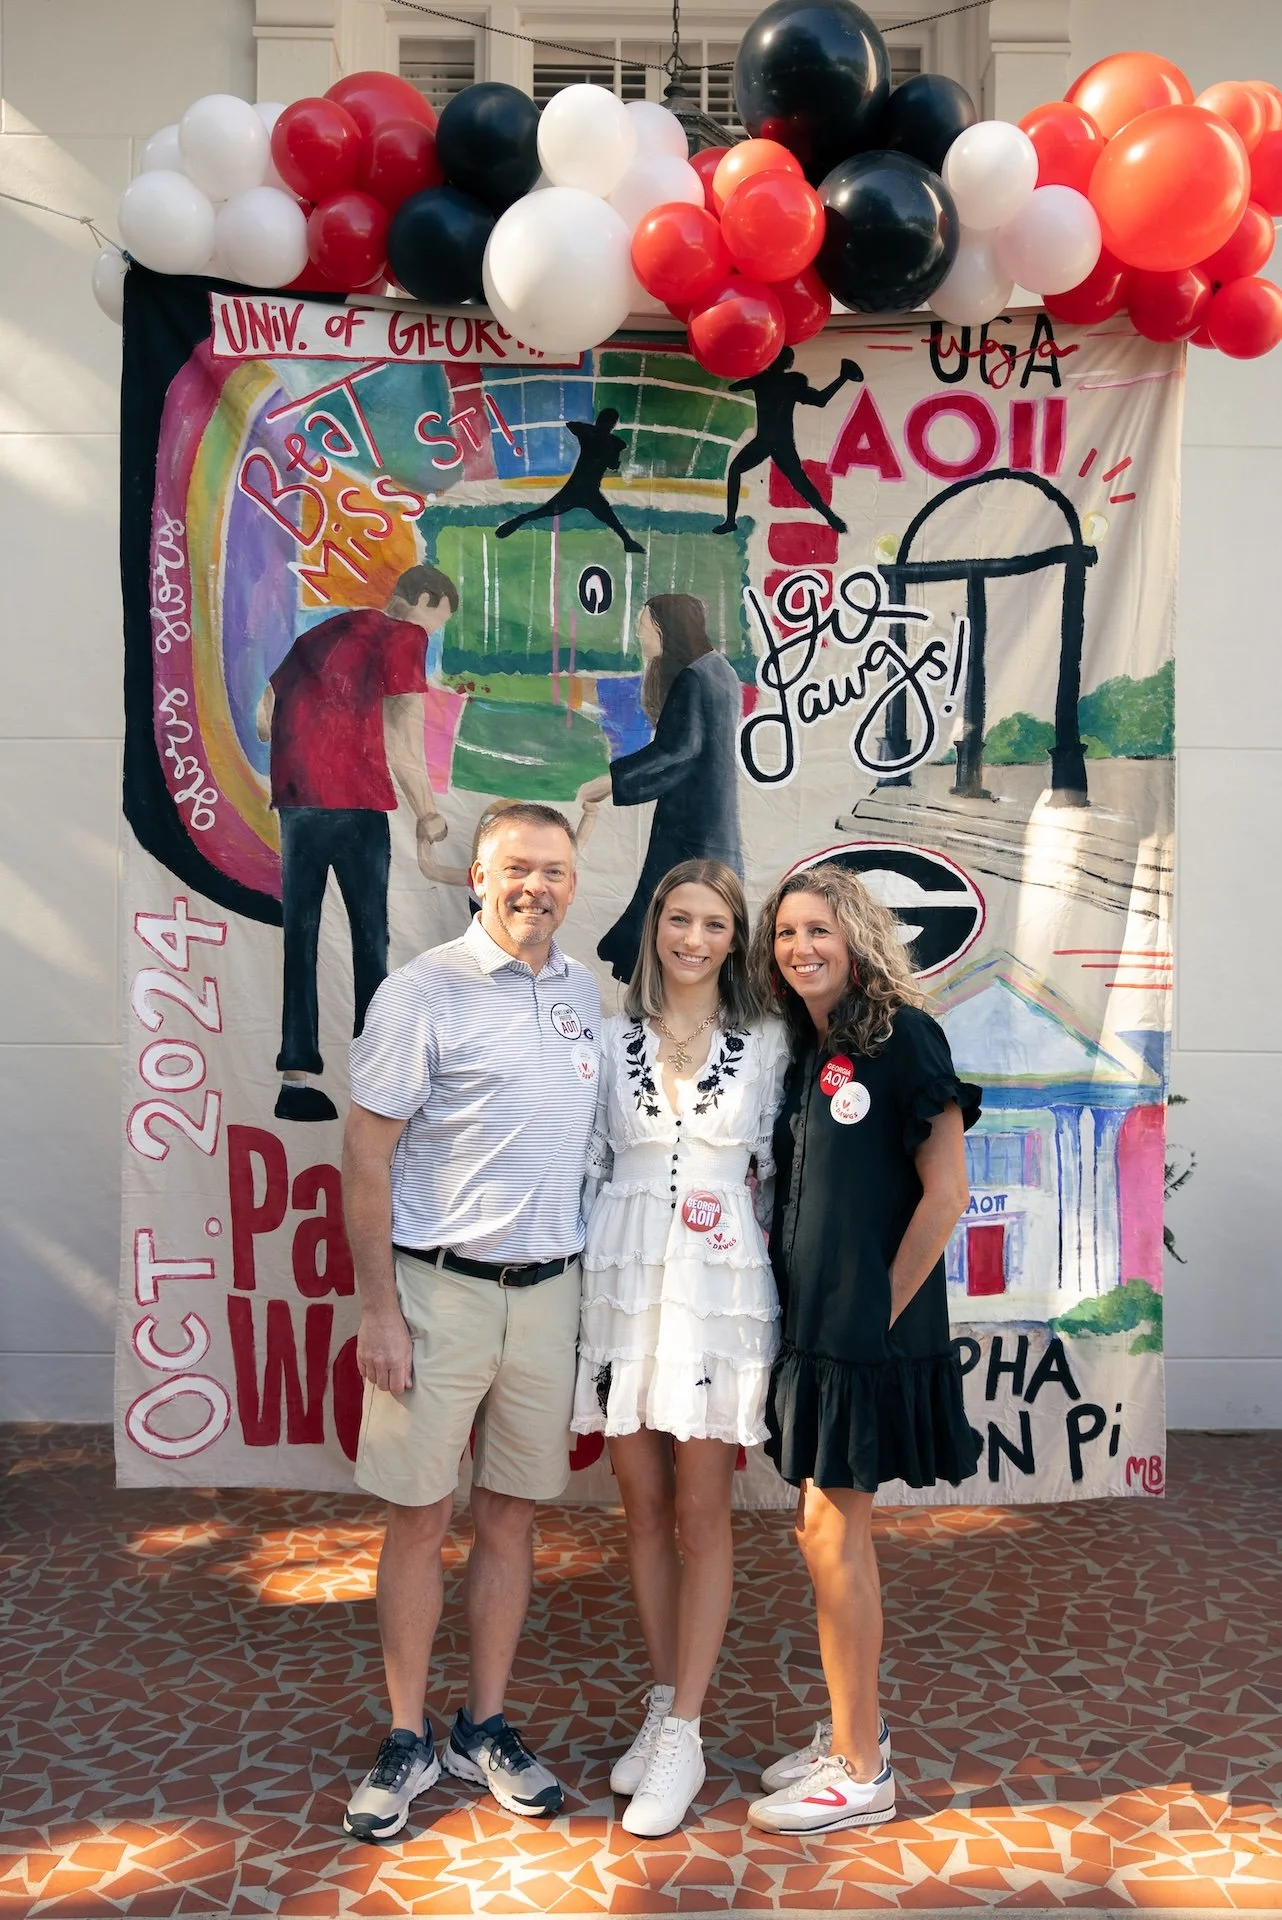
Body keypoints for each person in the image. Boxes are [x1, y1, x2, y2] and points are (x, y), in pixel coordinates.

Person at [339, 803, 601, 1843]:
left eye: (555, 870)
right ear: (477, 880)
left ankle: (480, 1724)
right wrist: (379, 1311)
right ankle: (405, 1736)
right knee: (417, 1515)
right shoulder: (421, 993)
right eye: (517, 869)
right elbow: (366, 1157)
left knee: (511, 1516)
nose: (537, 886)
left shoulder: (583, 993)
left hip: (549, 1296)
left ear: (574, 885)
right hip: (435, 1293)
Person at [744, 864, 981, 1837]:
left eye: (818, 931)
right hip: (816, 1337)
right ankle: (854, 1733)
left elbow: (947, 1195)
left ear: (855, 937)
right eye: (786, 934)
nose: (800, 948)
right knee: (817, 1532)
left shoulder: (902, 1036)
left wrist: (879, 1312)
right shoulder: (810, 1049)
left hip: (865, 1339)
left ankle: (858, 1770)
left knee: (837, 1538)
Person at [571, 860, 790, 1837]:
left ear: (733, 938)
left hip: (718, 1290)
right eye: (677, 919)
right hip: (618, 1284)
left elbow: (783, 1179)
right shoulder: (608, 1038)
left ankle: (689, 1731)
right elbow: (580, 1172)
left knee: (703, 1512)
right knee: (641, 1503)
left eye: (712, 923)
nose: (692, 939)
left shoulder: (771, 1043)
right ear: (654, 925)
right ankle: (663, 1700)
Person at [257, 563, 458, 1125]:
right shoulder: (402, 636)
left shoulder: (324, 631)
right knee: (369, 936)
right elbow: (401, 734)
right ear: (423, 598)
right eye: (435, 622)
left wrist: (312, 733)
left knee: (300, 933)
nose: (430, 636)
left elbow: (265, 716)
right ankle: (378, 1077)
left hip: (298, 802)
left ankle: (294, 1079)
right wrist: (428, 812)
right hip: (356, 803)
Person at [577, 595, 743, 984]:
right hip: (708, 822)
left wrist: (612, 781)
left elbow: (678, 752)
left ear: (667, 629)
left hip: (690, 830)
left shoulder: (693, 678)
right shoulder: (720, 671)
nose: (639, 633)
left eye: (644, 625)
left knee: (674, 917)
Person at [711, 347, 862, 536]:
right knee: (799, 482)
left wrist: (754, 369)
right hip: (781, 441)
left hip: (765, 440)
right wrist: (842, 378)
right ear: (788, 364)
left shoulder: (762, 380)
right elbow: (820, 400)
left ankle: (730, 521)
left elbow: (735, 386)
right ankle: (830, 517)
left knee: (737, 470)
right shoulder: (792, 382)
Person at [494, 407, 643, 552]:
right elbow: (573, 427)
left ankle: (628, 542)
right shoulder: (605, 440)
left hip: (582, 489)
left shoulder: (602, 439)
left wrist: (598, 436)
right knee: (608, 517)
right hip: (583, 489)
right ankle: (628, 542)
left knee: (607, 517)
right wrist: (600, 438)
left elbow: (612, 463)